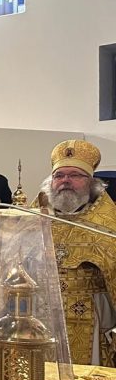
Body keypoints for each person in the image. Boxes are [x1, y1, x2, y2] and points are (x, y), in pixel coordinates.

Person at [37, 140, 116, 366]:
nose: (65, 181)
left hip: (90, 314)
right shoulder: (35, 217)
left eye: (75, 175)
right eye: (59, 175)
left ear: (92, 183)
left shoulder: (109, 224)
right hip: (41, 315)